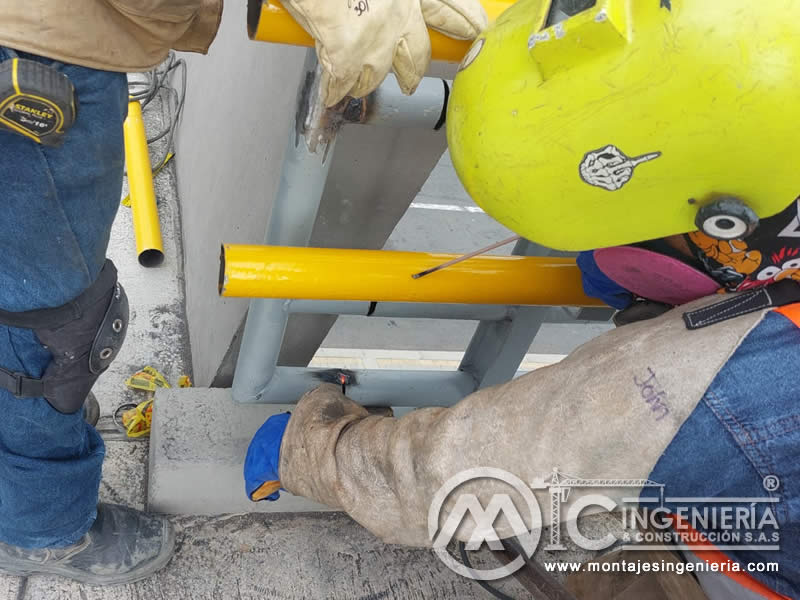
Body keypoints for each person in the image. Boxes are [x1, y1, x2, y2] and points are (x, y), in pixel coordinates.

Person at [243, 3, 800, 599]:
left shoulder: (715, 382)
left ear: (724, 229)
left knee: (537, 532)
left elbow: (452, 474)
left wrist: (314, 446)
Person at [0, 0, 487, 585]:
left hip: (47, 40)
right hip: (37, 51)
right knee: (53, 335)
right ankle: (41, 529)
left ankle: (26, 429)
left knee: (33, 299)